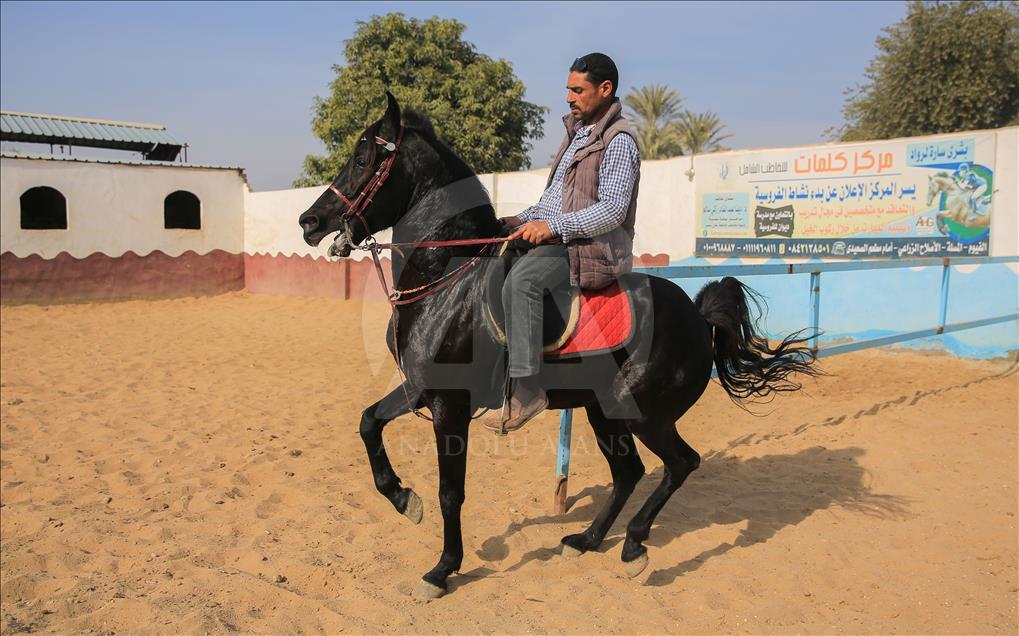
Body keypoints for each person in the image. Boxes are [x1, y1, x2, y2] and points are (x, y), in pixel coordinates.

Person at [488, 52, 641, 434]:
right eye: (568, 90)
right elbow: (552, 200)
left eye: (578, 90)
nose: (569, 98)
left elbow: (612, 211)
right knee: (493, 261)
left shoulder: (619, 141)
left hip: (593, 247)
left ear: (605, 90)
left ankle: (528, 387)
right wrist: (519, 220)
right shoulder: (576, 134)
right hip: (562, 234)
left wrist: (552, 227)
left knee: (523, 281)